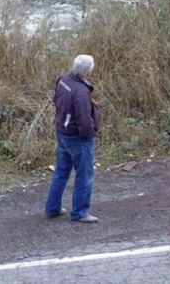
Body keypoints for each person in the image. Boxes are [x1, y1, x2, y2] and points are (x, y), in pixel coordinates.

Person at [44, 54, 101, 223]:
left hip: (62, 132)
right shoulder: (81, 92)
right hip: (77, 138)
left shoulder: (62, 80)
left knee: (61, 171)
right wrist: (90, 134)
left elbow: (57, 101)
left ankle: (52, 208)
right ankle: (80, 212)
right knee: (85, 175)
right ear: (88, 73)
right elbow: (84, 120)